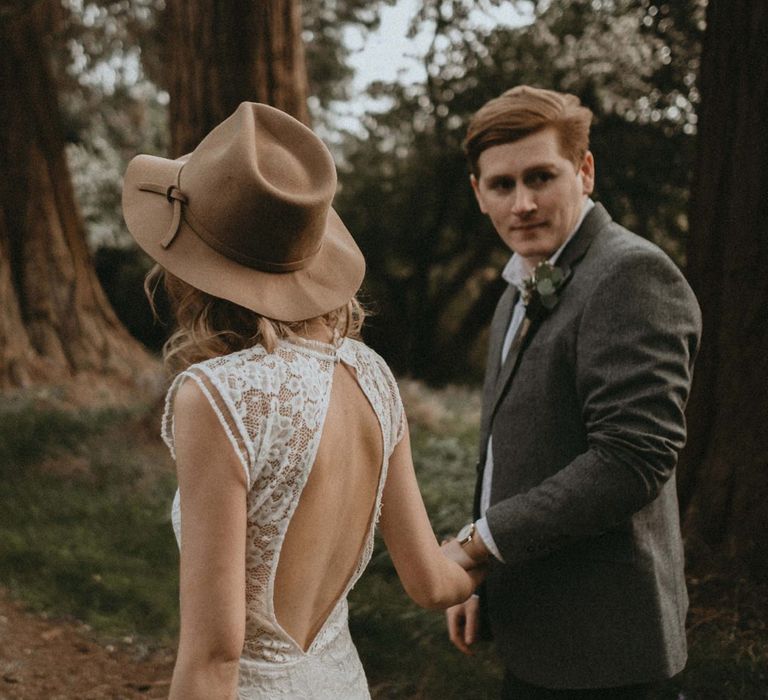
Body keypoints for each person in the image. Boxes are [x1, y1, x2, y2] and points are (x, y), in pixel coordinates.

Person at [122, 102, 482, 700]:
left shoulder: (216, 396)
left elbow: (214, 657)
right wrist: (487, 551)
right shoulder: (372, 377)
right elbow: (430, 584)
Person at [441, 85, 701, 698]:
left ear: (584, 171)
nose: (523, 203)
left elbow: (631, 462)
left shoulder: (631, 274)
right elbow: (514, 452)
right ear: (478, 193)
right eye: (502, 185)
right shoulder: (515, 288)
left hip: (608, 649)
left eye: (541, 177)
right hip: (536, 627)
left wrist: (476, 545)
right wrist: (484, 577)